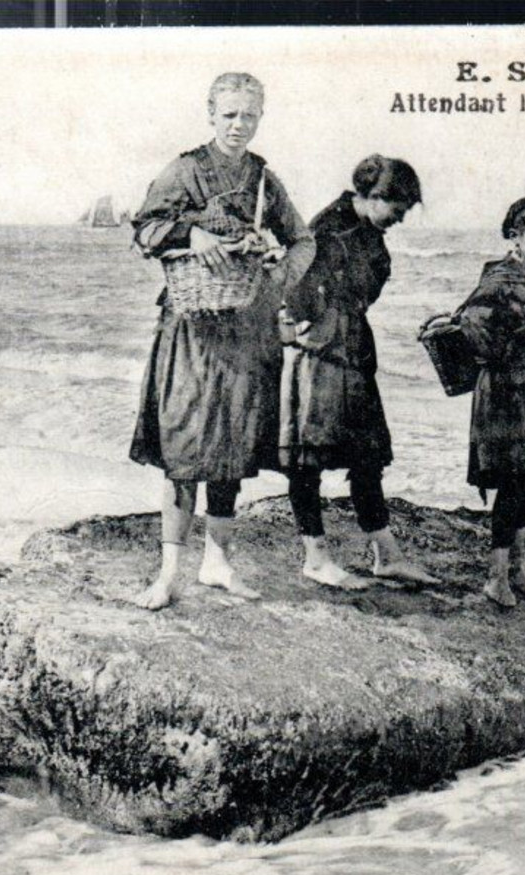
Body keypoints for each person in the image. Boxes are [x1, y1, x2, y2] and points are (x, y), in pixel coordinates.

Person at [129, 72, 315, 609]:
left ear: (261, 117)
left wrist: (280, 270)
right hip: (191, 331)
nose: (239, 125)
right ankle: (167, 575)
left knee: (232, 445)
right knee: (184, 447)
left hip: (247, 326)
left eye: (250, 116)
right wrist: (194, 234)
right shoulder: (185, 168)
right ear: (211, 113)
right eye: (230, 114)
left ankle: (217, 563)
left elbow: (302, 240)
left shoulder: (263, 179)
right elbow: (145, 230)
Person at [276, 155, 437, 588]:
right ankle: (315, 557)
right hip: (321, 356)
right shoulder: (329, 227)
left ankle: (386, 555)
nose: (399, 219)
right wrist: (312, 321)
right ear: (374, 195)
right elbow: (294, 283)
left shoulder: (363, 227)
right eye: (397, 210)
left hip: (353, 350)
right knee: (307, 459)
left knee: (367, 456)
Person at [457, 197, 525, 608]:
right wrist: (515, 348)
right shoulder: (500, 279)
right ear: (514, 236)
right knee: (511, 482)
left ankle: (517, 571)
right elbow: (472, 326)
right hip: (507, 393)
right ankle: (496, 577)